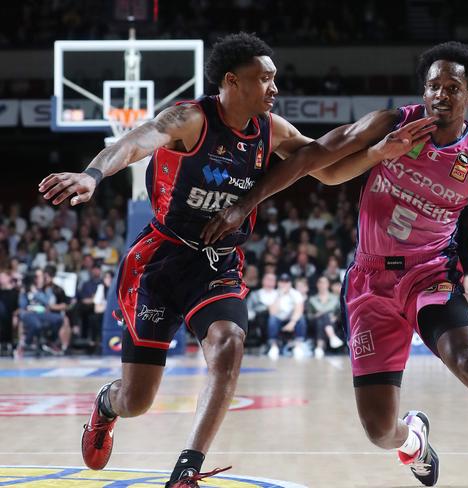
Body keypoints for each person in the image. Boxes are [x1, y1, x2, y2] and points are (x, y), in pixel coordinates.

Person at [39, 32, 425, 488]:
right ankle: (107, 405)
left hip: (218, 264)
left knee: (230, 344)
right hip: (162, 262)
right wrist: (92, 175)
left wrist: (378, 153)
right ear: (231, 82)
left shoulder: (272, 130)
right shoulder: (189, 120)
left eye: (275, 78)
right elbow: (135, 141)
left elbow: (326, 169)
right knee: (137, 400)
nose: (274, 88)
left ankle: (188, 467)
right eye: (264, 78)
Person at [205, 41, 468, 487]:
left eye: (452, 87)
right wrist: (243, 204)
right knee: (380, 429)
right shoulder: (392, 125)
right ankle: (414, 441)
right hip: (369, 280)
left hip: (431, 273)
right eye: (433, 86)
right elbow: (313, 156)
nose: (440, 95)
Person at [266, 273, 306, 358]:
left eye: (286, 282)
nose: (284, 284)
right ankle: (274, 347)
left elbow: (299, 310)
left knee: (301, 318)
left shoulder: (296, 293)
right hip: (279, 319)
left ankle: (298, 346)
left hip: (292, 319)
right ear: (278, 283)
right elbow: (272, 312)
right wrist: (280, 296)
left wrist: (292, 322)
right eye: (282, 281)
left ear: (290, 283)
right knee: (272, 319)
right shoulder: (273, 294)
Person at [307, 275, 344, 358]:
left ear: (328, 284)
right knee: (322, 317)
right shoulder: (312, 299)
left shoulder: (335, 298)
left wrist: (335, 317)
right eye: (320, 282)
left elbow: (340, 312)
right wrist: (317, 315)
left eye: (324, 282)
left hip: (332, 322)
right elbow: (309, 316)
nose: (322, 284)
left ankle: (319, 347)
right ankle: (332, 337)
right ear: (317, 284)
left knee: (324, 318)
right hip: (315, 322)